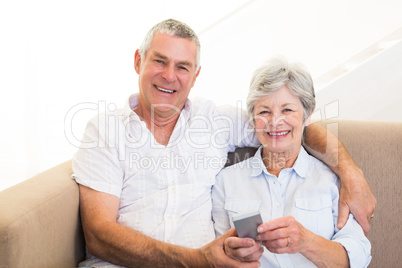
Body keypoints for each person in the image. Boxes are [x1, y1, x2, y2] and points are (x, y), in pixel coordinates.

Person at [72, 19, 375, 267]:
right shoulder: (105, 131)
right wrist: (196, 260)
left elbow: (284, 128)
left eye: (182, 67)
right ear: (139, 61)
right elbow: (98, 234)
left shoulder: (215, 120)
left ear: (195, 75)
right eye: (160, 61)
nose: (169, 76)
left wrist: (350, 172)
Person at [212, 56, 372, 267]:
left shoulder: (331, 179)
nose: (275, 121)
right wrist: (229, 254)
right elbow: (213, 253)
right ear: (252, 119)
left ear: (307, 116)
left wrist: (307, 242)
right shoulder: (226, 181)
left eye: (287, 110)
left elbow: (359, 256)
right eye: (264, 111)